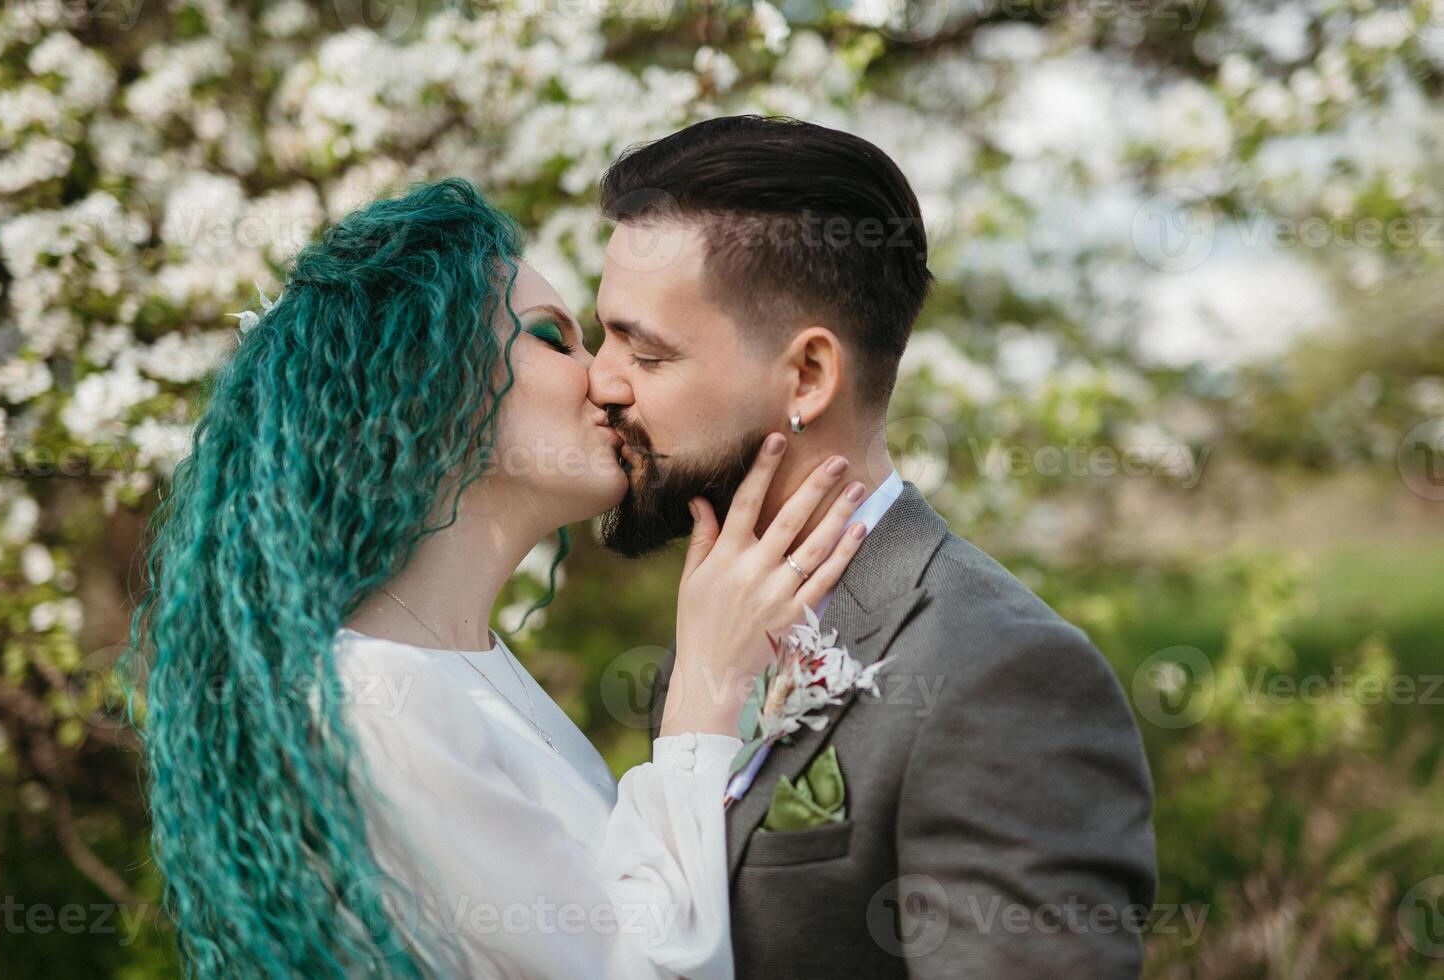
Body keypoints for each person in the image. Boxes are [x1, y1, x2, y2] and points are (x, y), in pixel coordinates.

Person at [126, 177, 867, 977]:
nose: (609, 382)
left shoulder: (463, 670)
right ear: (428, 379)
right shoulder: (378, 694)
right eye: (556, 340)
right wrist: (704, 690)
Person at [596, 115, 1160, 977]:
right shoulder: (717, 627)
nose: (602, 380)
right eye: (606, 337)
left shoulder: (1000, 673)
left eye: (646, 351)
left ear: (809, 377)